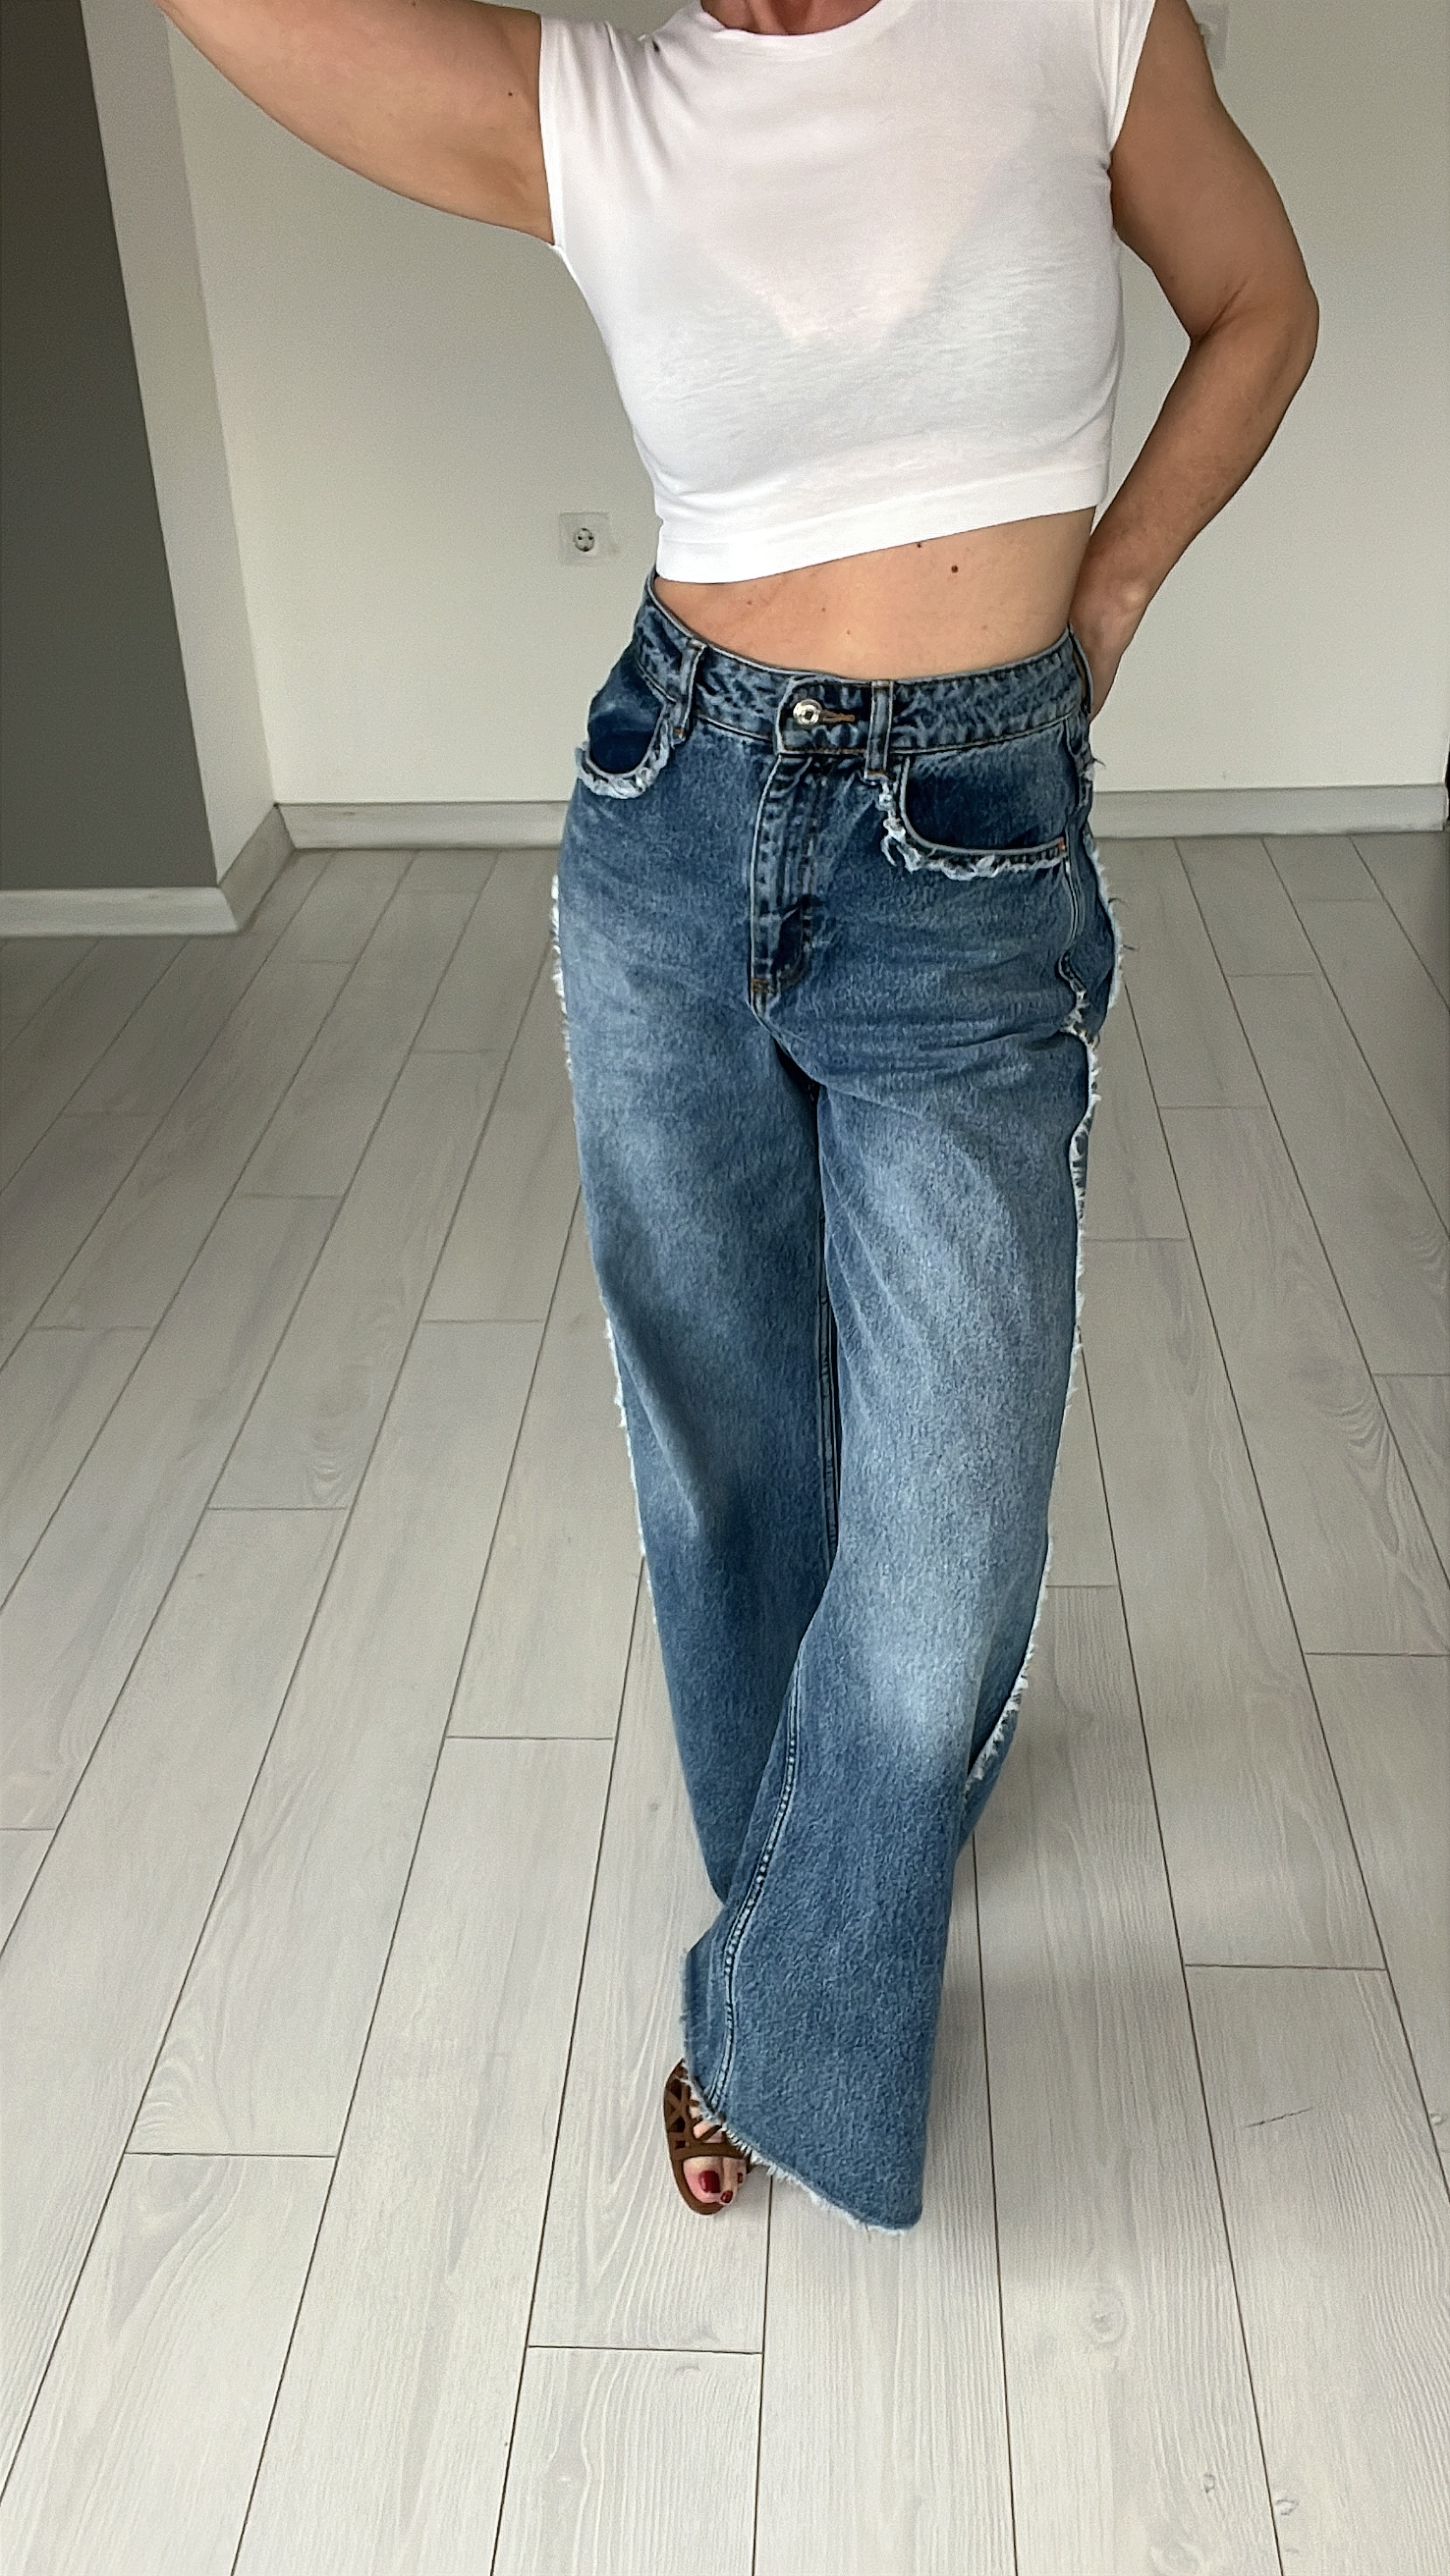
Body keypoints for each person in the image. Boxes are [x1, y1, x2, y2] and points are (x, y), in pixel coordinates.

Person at [155, 0, 1318, 2229]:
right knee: (724, 1445)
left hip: (968, 849)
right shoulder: (604, 105)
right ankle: (811, 1920)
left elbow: (1259, 302)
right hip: (668, 816)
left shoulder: (1071, 17)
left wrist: (1104, 597)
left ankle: (792, 1953)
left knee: (948, 1550)